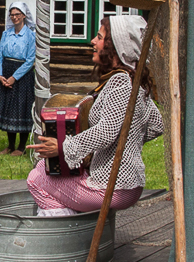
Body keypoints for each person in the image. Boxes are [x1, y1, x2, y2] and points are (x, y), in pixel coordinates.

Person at [29, 15, 161, 216]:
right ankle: (73, 221)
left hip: (113, 186)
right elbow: (156, 124)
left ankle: (69, 231)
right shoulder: (132, 81)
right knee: (42, 168)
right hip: (127, 184)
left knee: (36, 179)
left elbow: (106, 131)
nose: (92, 41)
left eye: (99, 37)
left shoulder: (120, 83)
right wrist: (125, 143)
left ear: (115, 46)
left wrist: (63, 147)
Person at [0, 2, 36, 155]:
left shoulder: (30, 35)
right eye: (12, 15)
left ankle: (21, 147)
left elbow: (30, 60)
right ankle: (11, 145)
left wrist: (14, 77)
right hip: (6, 71)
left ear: (24, 16)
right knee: (8, 109)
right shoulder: (6, 34)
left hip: (22, 75)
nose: (14, 17)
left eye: (17, 14)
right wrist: (0, 75)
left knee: (21, 109)